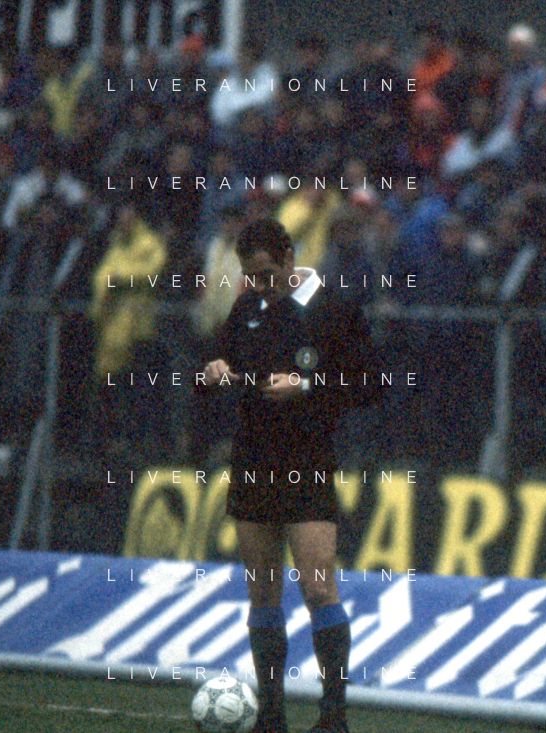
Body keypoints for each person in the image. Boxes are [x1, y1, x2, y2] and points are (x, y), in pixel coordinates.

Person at [201, 219, 381, 733]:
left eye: (266, 274)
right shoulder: (247, 309)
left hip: (306, 460)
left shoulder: (334, 308)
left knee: (319, 587)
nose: (259, 285)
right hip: (253, 461)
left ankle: (333, 715)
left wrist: (306, 385)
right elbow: (211, 367)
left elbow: (371, 384)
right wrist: (211, 372)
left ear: (289, 259)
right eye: (250, 276)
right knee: (262, 592)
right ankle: (272, 715)